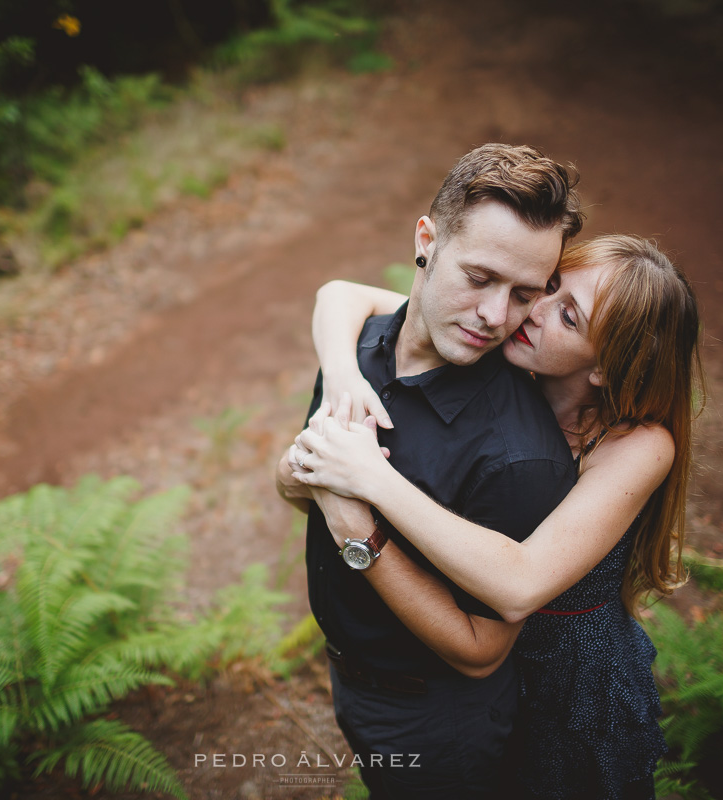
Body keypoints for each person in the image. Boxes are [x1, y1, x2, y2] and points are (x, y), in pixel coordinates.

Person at [287, 234, 703, 799]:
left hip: (566, 672)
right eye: (549, 288)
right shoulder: (503, 353)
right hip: (469, 666)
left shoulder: (639, 445)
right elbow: (340, 295)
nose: (531, 313)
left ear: (605, 368)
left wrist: (369, 481)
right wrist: (341, 374)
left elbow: (520, 582)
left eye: (569, 317)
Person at [274, 142, 583, 799]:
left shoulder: (518, 456)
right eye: (480, 277)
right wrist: (302, 477)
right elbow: (296, 490)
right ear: (427, 240)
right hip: (351, 681)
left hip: (436, 721)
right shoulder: (358, 351)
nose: (496, 317)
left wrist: (357, 526)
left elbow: (481, 650)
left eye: (524, 294)